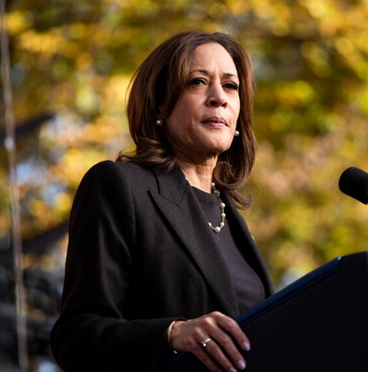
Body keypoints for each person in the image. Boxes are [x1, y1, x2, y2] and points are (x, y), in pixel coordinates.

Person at [50, 31, 274, 372]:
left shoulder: (234, 219)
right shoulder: (120, 187)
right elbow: (76, 338)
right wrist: (171, 334)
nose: (219, 98)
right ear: (159, 104)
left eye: (231, 86)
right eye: (198, 82)